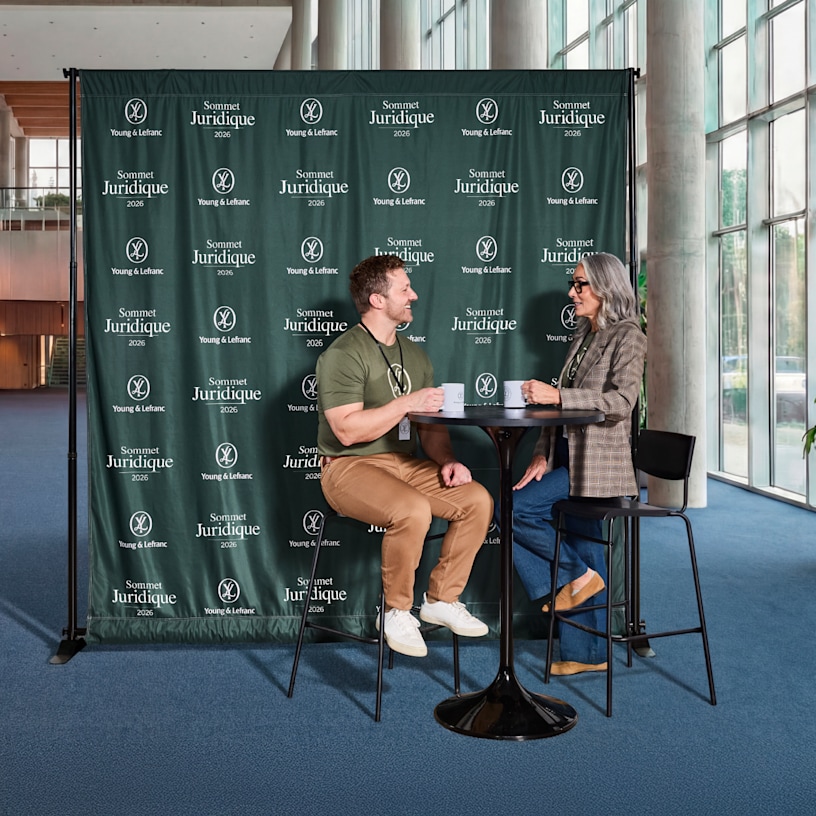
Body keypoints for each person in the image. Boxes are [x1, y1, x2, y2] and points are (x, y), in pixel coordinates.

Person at [316, 254, 493, 658]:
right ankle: (395, 610)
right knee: (413, 509)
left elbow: (429, 428)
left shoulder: (415, 355)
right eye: (404, 289)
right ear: (377, 300)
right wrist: (405, 402)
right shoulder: (343, 354)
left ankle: (440, 600)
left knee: (477, 500)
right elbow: (345, 431)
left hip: (405, 464)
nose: (413, 294)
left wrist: (446, 459)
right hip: (348, 467)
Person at [512, 252, 646, 676]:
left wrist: (558, 396)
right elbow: (561, 414)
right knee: (587, 549)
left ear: (606, 288)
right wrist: (540, 452)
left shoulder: (629, 335)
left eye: (579, 284)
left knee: (515, 510)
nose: (572, 292)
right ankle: (587, 654)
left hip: (600, 466)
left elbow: (622, 403)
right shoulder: (583, 335)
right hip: (568, 457)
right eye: (573, 284)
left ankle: (573, 576)